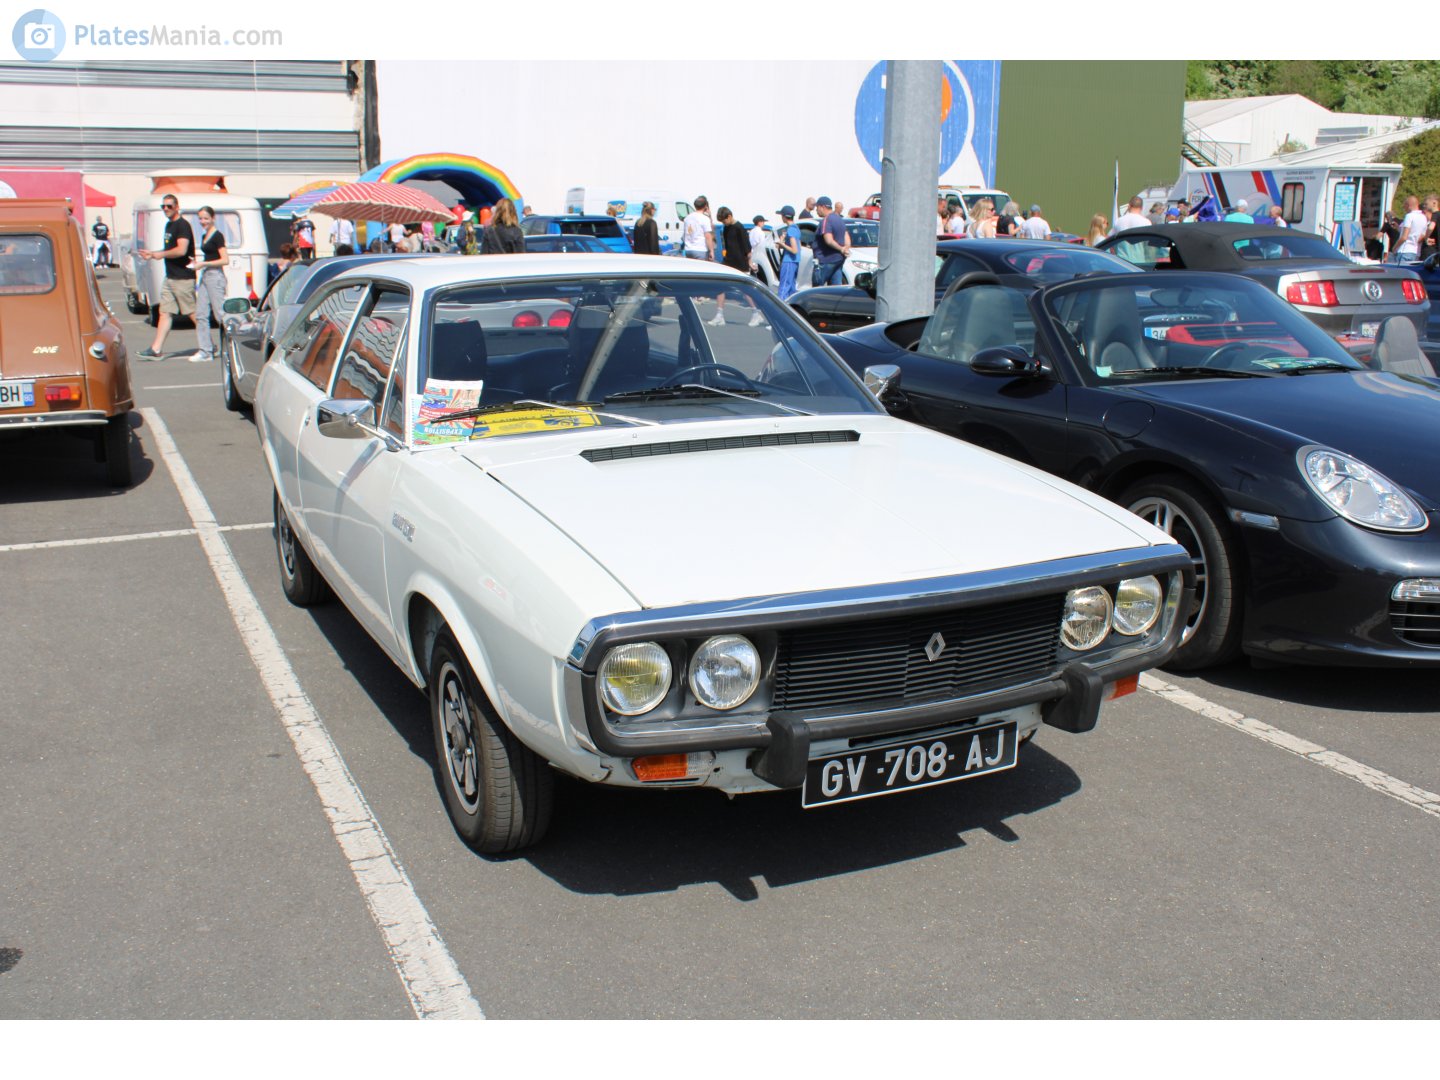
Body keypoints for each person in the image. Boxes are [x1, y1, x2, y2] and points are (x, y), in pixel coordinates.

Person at [135, 194, 195, 360]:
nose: (166, 209)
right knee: (165, 312)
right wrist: (153, 254)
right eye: (163, 206)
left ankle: (208, 345)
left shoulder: (182, 225)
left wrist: (159, 255)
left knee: (192, 312)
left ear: (177, 207)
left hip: (183, 278)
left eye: (169, 206)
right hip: (170, 277)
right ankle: (156, 349)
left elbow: (181, 250)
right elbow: (169, 249)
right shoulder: (169, 225)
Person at [708, 207, 766, 327]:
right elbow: (728, 246)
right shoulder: (726, 228)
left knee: (745, 290)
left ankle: (756, 313)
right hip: (729, 261)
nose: (723, 223)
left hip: (741, 263)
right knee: (720, 287)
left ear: (729, 216)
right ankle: (719, 315)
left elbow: (747, 248)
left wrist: (749, 262)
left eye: (724, 221)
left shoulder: (740, 228)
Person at [190, 205, 228, 363]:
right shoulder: (204, 235)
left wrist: (204, 264)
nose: (203, 221)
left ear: (213, 218)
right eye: (200, 218)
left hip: (215, 276)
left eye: (206, 218)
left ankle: (231, 346)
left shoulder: (218, 236)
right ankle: (205, 350)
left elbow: (224, 260)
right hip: (206, 275)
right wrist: (198, 264)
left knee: (220, 314)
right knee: (201, 314)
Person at [812, 195, 850, 286]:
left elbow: (828, 240)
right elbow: (847, 237)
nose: (816, 210)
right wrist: (846, 248)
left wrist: (841, 249)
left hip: (826, 260)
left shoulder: (826, 220)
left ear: (822, 207)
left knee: (817, 289)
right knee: (835, 288)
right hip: (838, 260)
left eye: (817, 207)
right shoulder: (839, 219)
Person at [775, 204, 801, 301]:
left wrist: (782, 244)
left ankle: (780, 306)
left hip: (789, 261)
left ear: (784, 217)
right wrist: (782, 240)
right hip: (795, 261)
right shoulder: (796, 228)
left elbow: (794, 250)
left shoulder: (791, 230)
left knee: (784, 288)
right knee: (791, 288)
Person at [1392, 195, 1427, 262]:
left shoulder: (1409, 216)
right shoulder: (1423, 217)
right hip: (1415, 251)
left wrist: (1394, 247)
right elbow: (1422, 235)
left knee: (1401, 268)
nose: (1404, 207)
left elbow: (1404, 237)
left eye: (1405, 205)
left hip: (1404, 250)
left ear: (1409, 205)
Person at [682, 196, 714, 260]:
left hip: (688, 249)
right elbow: (708, 236)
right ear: (705, 206)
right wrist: (711, 251)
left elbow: (685, 234)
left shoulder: (687, 218)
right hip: (700, 249)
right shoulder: (705, 219)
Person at [748, 214, 771, 282]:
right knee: (760, 279)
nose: (764, 223)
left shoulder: (751, 231)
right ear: (759, 222)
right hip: (758, 256)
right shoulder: (760, 232)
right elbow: (762, 245)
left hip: (751, 256)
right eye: (763, 222)